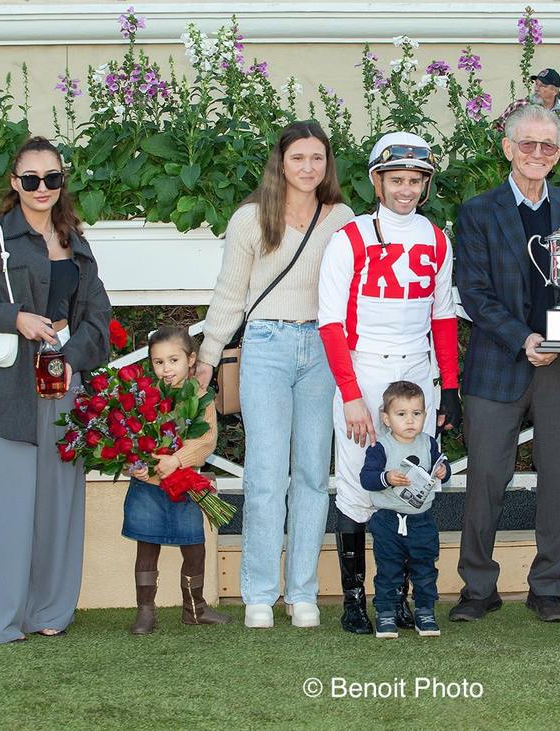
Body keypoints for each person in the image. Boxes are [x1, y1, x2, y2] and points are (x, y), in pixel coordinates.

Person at [0, 136, 111, 644]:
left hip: (65, 383)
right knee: (9, 507)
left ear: (63, 182)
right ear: (15, 183)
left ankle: (50, 612)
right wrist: (14, 318)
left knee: (60, 504)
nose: (43, 188)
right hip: (10, 391)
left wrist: (72, 350)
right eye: (32, 179)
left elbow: (99, 317)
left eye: (53, 179)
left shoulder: (77, 243)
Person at [451, 104, 560, 624]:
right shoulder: (477, 211)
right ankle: (478, 587)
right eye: (527, 144)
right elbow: (473, 292)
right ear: (507, 147)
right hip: (499, 362)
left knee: (559, 477)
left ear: (559, 154)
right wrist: (523, 338)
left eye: (548, 146)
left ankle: (548, 585)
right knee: (486, 480)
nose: (537, 153)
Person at [195, 120, 354, 630]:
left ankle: (302, 592)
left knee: (312, 473)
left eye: (317, 158)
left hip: (324, 350)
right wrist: (208, 353)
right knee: (264, 473)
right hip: (265, 345)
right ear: (280, 162)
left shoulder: (343, 219)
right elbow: (229, 293)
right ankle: (259, 592)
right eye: (298, 158)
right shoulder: (250, 218)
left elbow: (355, 294)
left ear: (327, 163)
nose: (308, 168)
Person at [318, 131, 461, 635]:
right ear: (377, 180)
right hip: (365, 368)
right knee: (360, 484)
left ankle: (400, 598)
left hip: (418, 371)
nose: (406, 189)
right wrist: (352, 395)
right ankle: (355, 600)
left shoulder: (437, 237)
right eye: (397, 179)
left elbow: (443, 316)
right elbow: (330, 323)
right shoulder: (351, 237)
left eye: (416, 180)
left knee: (414, 482)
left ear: (426, 184)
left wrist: (451, 389)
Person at [124, 326, 231, 634]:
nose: (166, 368)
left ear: (191, 360)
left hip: (184, 486)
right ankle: (145, 610)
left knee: (194, 546)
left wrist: (177, 460)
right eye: (159, 362)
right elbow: (131, 437)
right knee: (146, 546)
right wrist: (137, 465)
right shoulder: (145, 395)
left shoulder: (201, 397)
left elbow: (206, 440)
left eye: (173, 360)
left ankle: (194, 608)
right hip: (148, 487)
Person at [360, 381, 450, 639]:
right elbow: (367, 478)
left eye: (417, 414)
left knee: (425, 569)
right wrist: (386, 477)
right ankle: (386, 613)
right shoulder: (381, 447)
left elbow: (440, 467)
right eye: (402, 414)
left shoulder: (429, 443)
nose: (410, 421)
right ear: (386, 419)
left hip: (422, 521)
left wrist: (444, 472)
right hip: (388, 520)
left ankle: (425, 612)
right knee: (388, 570)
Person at [494, 68, 560, 132]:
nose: (536, 89)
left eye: (542, 86)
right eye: (536, 84)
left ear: (555, 91)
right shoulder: (519, 105)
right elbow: (497, 129)